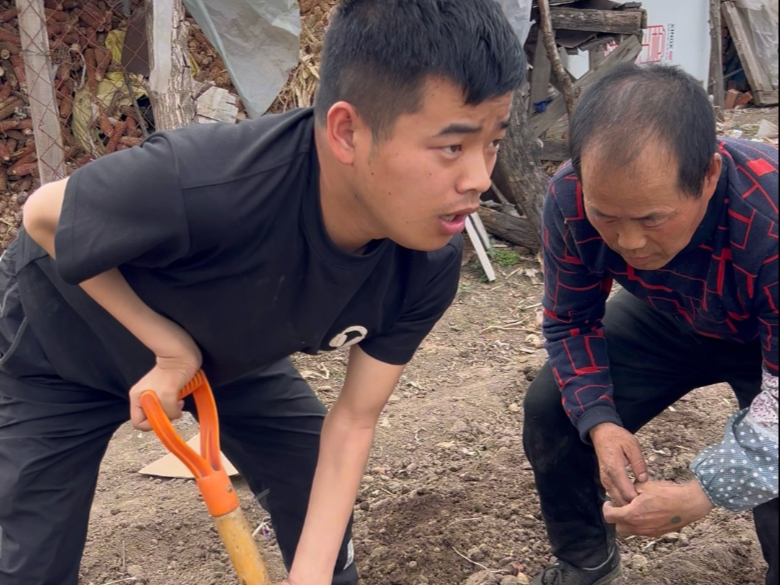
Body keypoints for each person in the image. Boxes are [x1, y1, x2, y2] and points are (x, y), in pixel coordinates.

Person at [0, 1, 527, 584]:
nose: (479, 179)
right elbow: (42, 215)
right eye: (452, 147)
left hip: (228, 348)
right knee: (34, 564)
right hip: (59, 352)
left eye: (493, 143)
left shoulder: (425, 261)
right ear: (347, 132)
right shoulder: (210, 183)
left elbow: (353, 422)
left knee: (308, 474)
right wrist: (169, 349)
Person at [523, 63, 778, 585]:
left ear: (708, 175)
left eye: (651, 218)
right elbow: (571, 321)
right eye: (607, 216)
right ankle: (587, 562)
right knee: (555, 410)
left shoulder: (769, 218)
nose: (629, 243)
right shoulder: (571, 198)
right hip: (672, 312)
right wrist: (600, 421)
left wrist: (702, 493)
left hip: (762, 331)